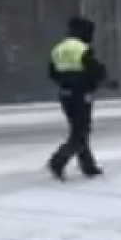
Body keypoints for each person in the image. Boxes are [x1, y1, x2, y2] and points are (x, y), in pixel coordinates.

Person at [47, 15, 110, 180]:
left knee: (78, 129)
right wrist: (98, 82)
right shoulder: (81, 48)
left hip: (65, 94)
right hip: (81, 94)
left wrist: (67, 81)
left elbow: (52, 73)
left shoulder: (58, 49)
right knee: (81, 132)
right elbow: (95, 70)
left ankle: (87, 165)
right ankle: (58, 160)